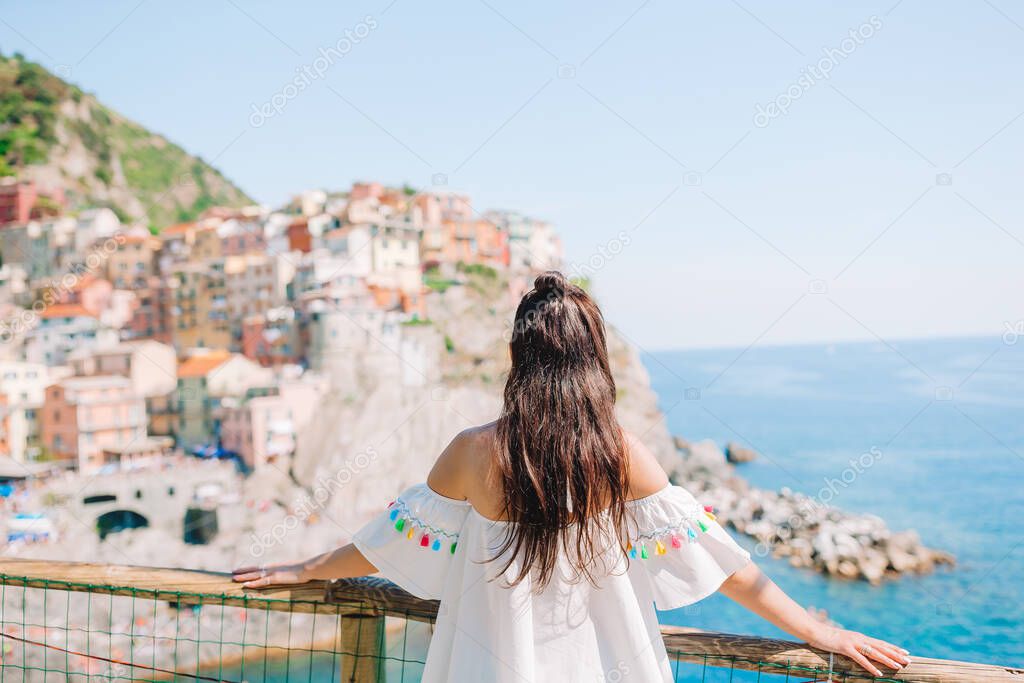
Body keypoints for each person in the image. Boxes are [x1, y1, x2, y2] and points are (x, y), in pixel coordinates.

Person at [234, 271, 911, 682]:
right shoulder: (618, 454)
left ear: (516, 357)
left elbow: (391, 541)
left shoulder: (474, 452)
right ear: (595, 360)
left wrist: (307, 567)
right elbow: (722, 561)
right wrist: (817, 630)